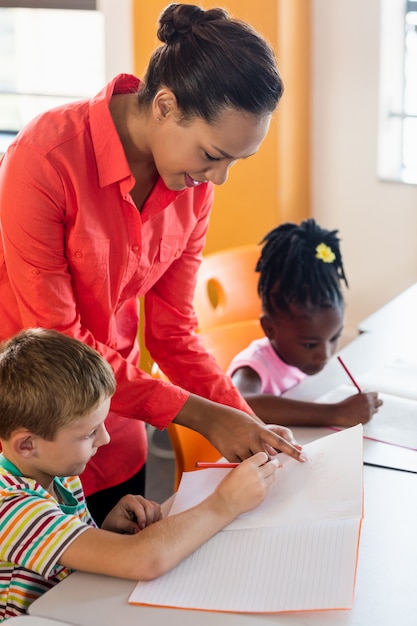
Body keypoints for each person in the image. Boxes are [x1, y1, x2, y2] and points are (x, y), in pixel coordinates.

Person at [0, 3, 304, 526]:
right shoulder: (44, 159)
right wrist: (204, 416)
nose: (220, 178)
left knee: (121, 595)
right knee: (40, 599)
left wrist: (246, 424)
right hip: (34, 440)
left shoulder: (192, 184)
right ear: (165, 105)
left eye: (235, 161)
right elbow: (59, 342)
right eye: (213, 155)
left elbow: (173, 332)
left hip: (118, 423)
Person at [0, 328, 281, 620]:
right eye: (88, 434)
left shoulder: (55, 470)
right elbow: (144, 559)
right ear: (27, 445)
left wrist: (104, 532)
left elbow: (62, 557)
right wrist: (226, 502)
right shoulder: (10, 507)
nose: (105, 439)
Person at [227, 219, 383, 427]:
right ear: (270, 328)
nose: (325, 354)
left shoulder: (301, 358)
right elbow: (243, 404)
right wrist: (335, 413)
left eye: (334, 337)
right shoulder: (255, 366)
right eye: (310, 344)